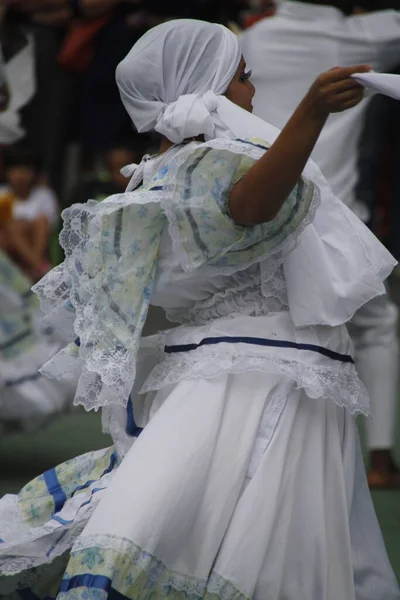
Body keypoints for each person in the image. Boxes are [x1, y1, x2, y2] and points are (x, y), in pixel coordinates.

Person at [0, 18, 399, 600]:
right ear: (204, 84)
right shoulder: (213, 164)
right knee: (196, 530)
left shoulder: (164, 172)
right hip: (250, 379)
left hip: (256, 372)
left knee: (195, 526)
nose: (252, 89)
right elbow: (249, 207)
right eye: (242, 75)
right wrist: (309, 116)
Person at [240, 0, 400, 489]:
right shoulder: (361, 35)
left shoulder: (256, 39)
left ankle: (258, 453)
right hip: (334, 212)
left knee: (260, 326)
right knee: (376, 325)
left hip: (260, 201)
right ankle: (380, 456)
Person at [0, 146, 58, 281]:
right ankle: (39, 266)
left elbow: (49, 226)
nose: (20, 175)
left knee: (41, 221)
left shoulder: (44, 194)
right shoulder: (2, 194)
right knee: (11, 227)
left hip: (36, 242)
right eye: (15, 170)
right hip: (7, 244)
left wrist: (25, 227)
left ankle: (34, 266)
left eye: (25, 170)